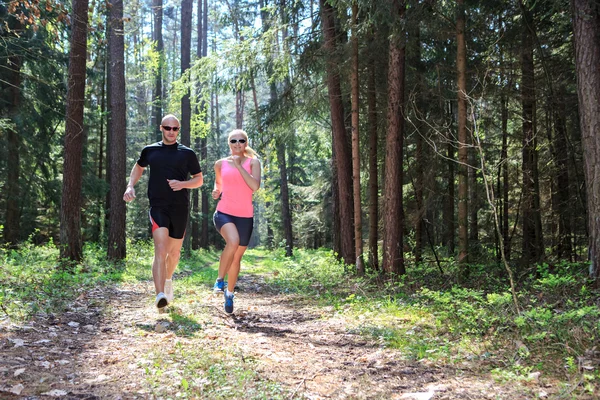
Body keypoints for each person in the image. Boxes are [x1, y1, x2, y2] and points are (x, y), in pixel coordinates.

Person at [123, 114, 203, 310]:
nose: (171, 132)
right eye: (168, 128)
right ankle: (159, 295)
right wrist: (130, 186)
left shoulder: (187, 153)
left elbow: (199, 179)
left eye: (175, 129)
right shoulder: (150, 150)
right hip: (158, 206)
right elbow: (138, 168)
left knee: (174, 253)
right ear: (161, 128)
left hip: (180, 208)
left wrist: (182, 184)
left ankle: (167, 281)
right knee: (160, 249)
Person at [212, 129, 261, 314]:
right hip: (224, 212)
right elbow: (219, 184)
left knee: (237, 258)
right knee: (232, 242)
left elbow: (254, 186)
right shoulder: (220, 164)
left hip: (245, 216)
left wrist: (240, 166)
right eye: (234, 140)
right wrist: (216, 191)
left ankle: (230, 293)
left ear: (245, 143)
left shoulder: (253, 163)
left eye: (241, 140)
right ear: (229, 143)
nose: (237, 143)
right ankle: (219, 280)